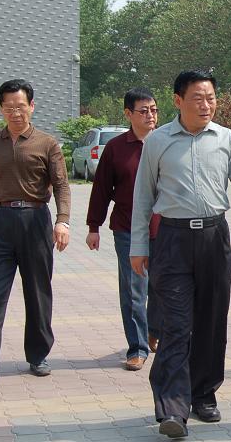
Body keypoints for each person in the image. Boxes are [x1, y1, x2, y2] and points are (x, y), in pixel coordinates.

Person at [130, 70, 231, 439]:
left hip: (213, 237)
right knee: (176, 325)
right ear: (178, 101)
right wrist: (139, 246)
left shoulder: (226, 139)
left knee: (211, 319)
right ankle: (172, 408)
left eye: (210, 98)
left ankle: (204, 394)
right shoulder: (158, 141)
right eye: (197, 98)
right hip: (172, 240)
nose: (206, 105)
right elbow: (143, 197)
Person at [0, 79, 70, 388]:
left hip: (35, 221)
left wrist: (62, 221)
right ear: (1, 109)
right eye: (9, 107)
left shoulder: (47, 143)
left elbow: (61, 185)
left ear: (32, 106)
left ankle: (38, 354)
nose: (15, 112)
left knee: (37, 292)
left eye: (21, 106)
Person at [85, 88, 161, 371]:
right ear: (128, 114)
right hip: (128, 229)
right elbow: (101, 189)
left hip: (166, 229)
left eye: (154, 110)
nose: (150, 115)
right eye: (144, 110)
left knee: (162, 287)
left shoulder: (166, 143)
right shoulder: (116, 148)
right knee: (133, 290)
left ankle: (154, 330)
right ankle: (137, 347)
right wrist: (94, 226)